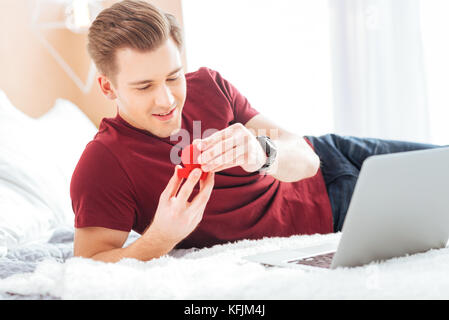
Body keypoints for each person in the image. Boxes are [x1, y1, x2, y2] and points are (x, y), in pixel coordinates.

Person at [70, 0, 440, 262]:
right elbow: (89, 267)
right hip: (338, 212)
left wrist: (264, 153)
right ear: (108, 87)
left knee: (442, 162)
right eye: (144, 86)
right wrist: (163, 236)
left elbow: (307, 159)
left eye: (173, 76)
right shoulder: (103, 165)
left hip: (335, 152)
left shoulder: (209, 85)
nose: (167, 99)